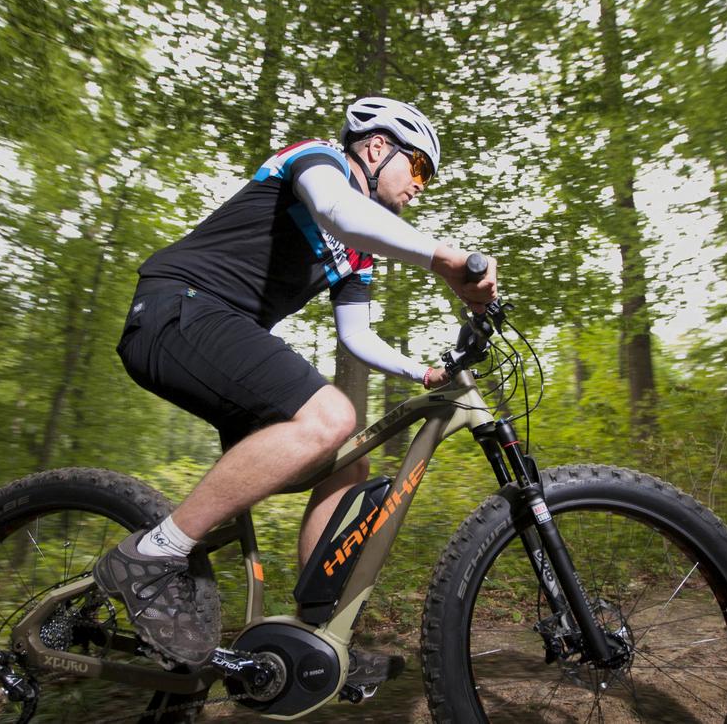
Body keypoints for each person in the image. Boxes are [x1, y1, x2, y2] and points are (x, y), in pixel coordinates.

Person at [93, 97, 498, 684]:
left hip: (217, 332)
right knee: (332, 415)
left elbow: (356, 335)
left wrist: (421, 373)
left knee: (347, 462)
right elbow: (337, 210)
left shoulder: (358, 251)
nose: (420, 185)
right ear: (377, 147)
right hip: (177, 308)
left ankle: (317, 638)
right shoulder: (317, 160)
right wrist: (443, 258)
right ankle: (150, 557)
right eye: (418, 167)